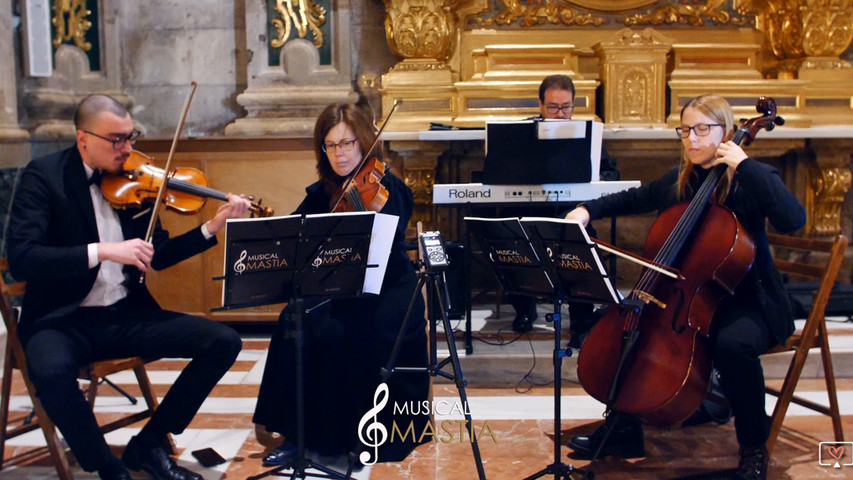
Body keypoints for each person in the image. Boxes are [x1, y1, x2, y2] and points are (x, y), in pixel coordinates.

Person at [6, 94, 252, 480]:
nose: (128, 148)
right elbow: (23, 257)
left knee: (223, 341)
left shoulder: (135, 182)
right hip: (61, 321)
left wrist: (211, 228)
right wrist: (102, 251)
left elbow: (157, 256)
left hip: (125, 314)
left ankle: (149, 443)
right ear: (83, 138)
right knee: (50, 372)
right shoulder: (44, 177)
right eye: (116, 140)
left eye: (130, 136)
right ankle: (107, 467)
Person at [563, 94, 805, 480]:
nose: (691, 139)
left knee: (733, 345)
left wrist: (743, 165)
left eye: (701, 130)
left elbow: (793, 219)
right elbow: (633, 197)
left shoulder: (750, 179)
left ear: (726, 133)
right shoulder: (681, 182)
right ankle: (624, 426)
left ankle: (754, 448)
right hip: (688, 303)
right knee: (632, 327)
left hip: (748, 302)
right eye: (685, 130)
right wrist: (588, 209)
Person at [253, 103, 430, 470]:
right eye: (331, 146)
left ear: (364, 141)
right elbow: (294, 233)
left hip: (387, 293)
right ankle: (297, 434)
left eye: (347, 143)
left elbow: (389, 237)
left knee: (344, 331)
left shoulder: (389, 188)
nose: (340, 153)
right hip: (341, 292)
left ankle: (351, 435)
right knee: (294, 319)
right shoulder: (323, 191)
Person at [507, 74, 619, 335]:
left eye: (566, 107)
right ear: (540, 104)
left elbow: (613, 173)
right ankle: (524, 309)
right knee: (509, 242)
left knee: (582, 248)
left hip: (571, 215)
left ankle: (580, 323)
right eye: (553, 107)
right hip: (530, 213)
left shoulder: (586, 134)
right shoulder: (522, 134)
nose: (560, 114)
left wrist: (595, 178)